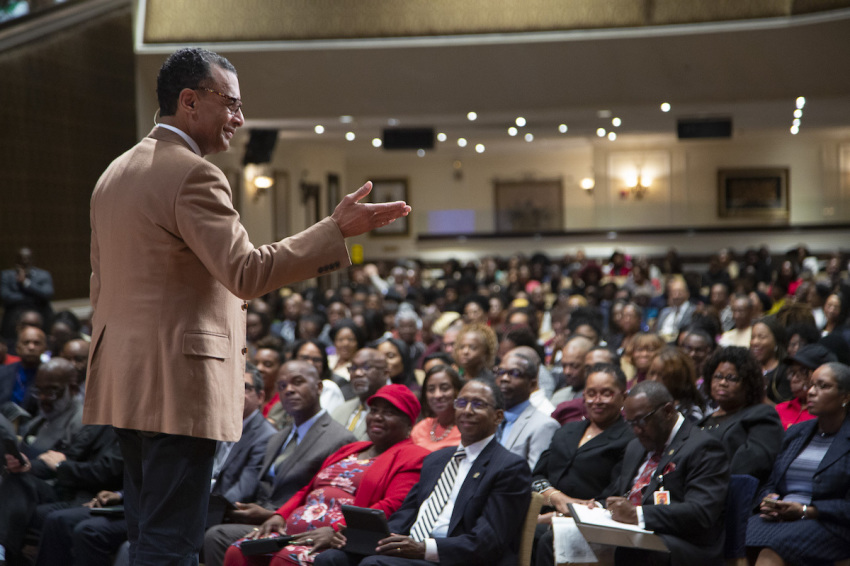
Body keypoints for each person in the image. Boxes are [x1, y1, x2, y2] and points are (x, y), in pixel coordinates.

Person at [84, 48, 409, 566]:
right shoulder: (193, 174)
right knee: (172, 546)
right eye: (230, 103)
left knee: (147, 534)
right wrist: (335, 231)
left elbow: (100, 284)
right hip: (177, 387)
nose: (239, 116)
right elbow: (247, 273)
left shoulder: (114, 173)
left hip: (126, 381)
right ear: (189, 101)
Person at [314, 378, 532, 566]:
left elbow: (488, 541)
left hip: (453, 557)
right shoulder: (437, 459)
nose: (467, 410)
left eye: (478, 404)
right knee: (332, 558)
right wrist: (371, 538)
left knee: (376, 564)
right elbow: (406, 514)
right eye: (462, 403)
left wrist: (423, 548)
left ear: (498, 416)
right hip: (412, 551)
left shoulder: (509, 467)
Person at [223, 384, 429, 565]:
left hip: (337, 537)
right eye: (373, 410)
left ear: (409, 423)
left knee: (287, 558)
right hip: (292, 531)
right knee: (240, 551)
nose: (377, 417)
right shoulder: (352, 448)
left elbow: (392, 505)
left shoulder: (413, 456)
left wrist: (337, 529)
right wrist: (280, 515)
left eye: (389, 412)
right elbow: (308, 488)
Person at [203, 360, 356, 566]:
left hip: (296, 524)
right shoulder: (278, 436)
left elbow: (325, 496)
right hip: (262, 515)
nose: (289, 390)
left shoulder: (339, 438)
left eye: (297, 382)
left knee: (217, 536)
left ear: (319, 387)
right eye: (282, 386)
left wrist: (272, 514)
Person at [602, 381, 729, 566]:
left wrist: (638, 514)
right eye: (631, 423)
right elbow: (619, 492)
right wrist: (595, 506)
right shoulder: (636, 446)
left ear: (668, 411)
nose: (636, 430)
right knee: (554, 538)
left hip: (685, 544)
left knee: (632, 550)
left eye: (642, 421)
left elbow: (701, 513)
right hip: (631, 532)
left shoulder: (703, 447)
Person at [746, 362, 850, 565]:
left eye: (823, 386)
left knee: (773, 550)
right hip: (783, 516)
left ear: (845, 397)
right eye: (811, 385)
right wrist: (769, 499)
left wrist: (805, 511)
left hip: (830, 523)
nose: (811, 392)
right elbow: (771, 481)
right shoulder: (797, 433)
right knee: (739, 537)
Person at [533, 363, 634, 566]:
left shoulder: (629, 439)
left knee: (542, 536)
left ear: (623, 396)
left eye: (606, 394)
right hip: (546, 510)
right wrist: (558, 499)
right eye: (591, 393)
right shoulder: (566, 431)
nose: (597, 401)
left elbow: (612, 495)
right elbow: (535, 476)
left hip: (590, 521)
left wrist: (562, 514)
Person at [697, 347, 783, 484]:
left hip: (727, 493)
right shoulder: (701, 422)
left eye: (731, 378)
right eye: (718, 376)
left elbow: (752, 462)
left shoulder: (761, 415)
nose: (723, 383)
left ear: (748, 384)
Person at [494, 347, 559, 470]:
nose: (504, 378)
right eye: (501, 372)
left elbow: (534, 476)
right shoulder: (489, 419)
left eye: (514, 373)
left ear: (532, 384)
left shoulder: (544, 425)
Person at [331, 348, 391, 440]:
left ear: (385, 373)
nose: (357, 373)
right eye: (353, 368)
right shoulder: (340, 409)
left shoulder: (393, 413)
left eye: (366, 368)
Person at [775, 344, 836, 430]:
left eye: (803, 373)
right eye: (792, 373)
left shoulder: (826, 417)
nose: (794, 379)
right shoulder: (780, 409)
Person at [0, 247, 54, 342]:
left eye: (27, 258)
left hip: (40, 316)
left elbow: (47, 294)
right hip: (14, 320)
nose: (24, 261)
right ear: (16, 260)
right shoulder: (6, 275)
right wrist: (33, 298)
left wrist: (25, 283)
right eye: (21, 258)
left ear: (32, 260)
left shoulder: (44, 275)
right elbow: (6, 297)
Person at [410, 365, 463, 451]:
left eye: (444, 388)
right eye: (431, 390)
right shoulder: (422, 427)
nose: (437, 395)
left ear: (457, 391)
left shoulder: (466, 429)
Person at [646, 346, 704, 422]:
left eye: (662, 375)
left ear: (677, 379)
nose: (654, 379)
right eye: (652, 373)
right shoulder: (643, 405)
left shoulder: (691, 414)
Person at [750, 317, 791, 402]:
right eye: (753, 337)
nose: (755, 342)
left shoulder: (785, 370)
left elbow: (782, 409)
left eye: (761, 337)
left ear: (776, 340)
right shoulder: (747, 368)